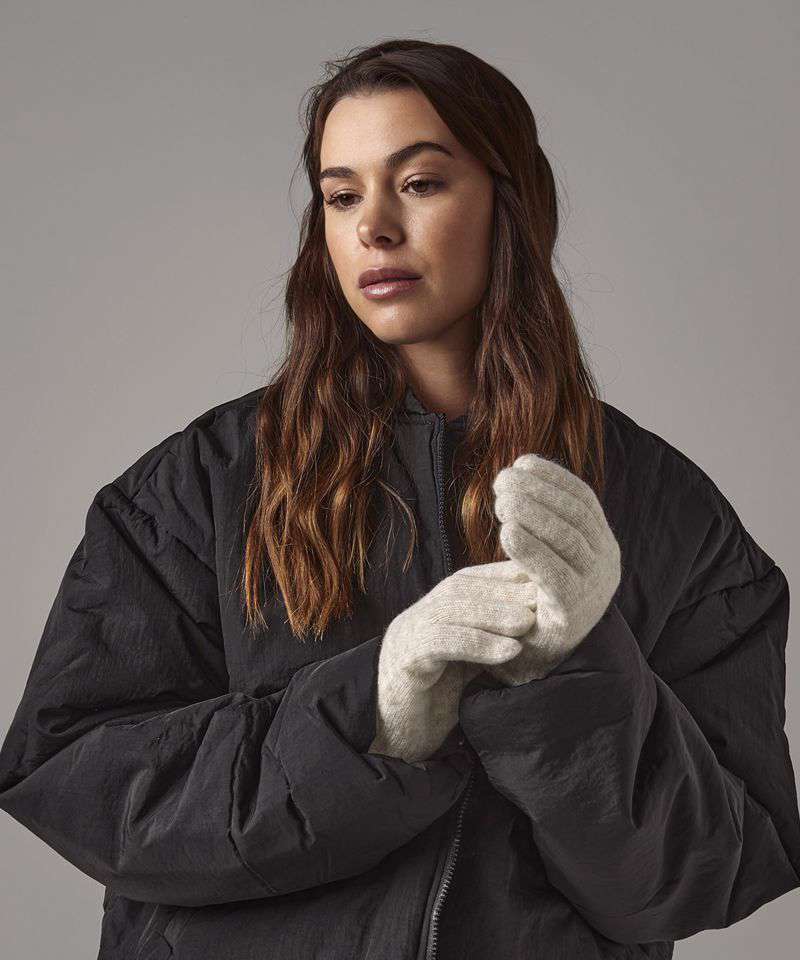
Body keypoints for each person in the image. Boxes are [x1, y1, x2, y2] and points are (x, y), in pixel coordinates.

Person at [1, 37, 798, 960]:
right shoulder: (195, 488)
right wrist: (375, 712)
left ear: (510, 202)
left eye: (419, 183)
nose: (373, 228)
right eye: (342, 196)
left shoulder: (671, 513)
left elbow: (704, 878)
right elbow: (85, 790)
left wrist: (576, 678)